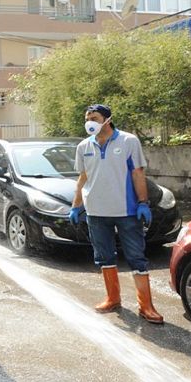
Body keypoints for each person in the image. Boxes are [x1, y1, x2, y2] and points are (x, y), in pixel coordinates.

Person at [69, 104, 163, 324]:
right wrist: (76, 205)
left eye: (94, 117)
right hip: (96, 211)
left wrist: (143, 202)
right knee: (104, 257)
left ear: (107, 119)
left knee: (136, 257)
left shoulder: (128, 141)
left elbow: (138, 173)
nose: (89, 121)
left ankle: (146, 306)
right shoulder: (84, 146)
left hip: (126, 210)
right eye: (87, 118)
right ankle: (112, 298)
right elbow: (83, 177)